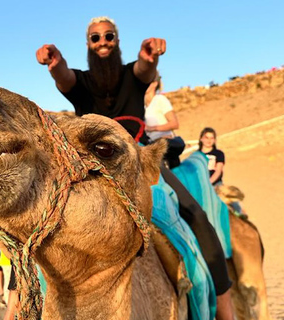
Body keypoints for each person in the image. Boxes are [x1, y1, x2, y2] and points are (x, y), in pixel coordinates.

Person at [36, 16, 234, 320]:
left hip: (139, 160)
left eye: (109, 36)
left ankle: (225, 309)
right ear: (88, 45)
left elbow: (145, 69)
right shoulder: (82, 83)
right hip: (89, 170)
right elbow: (64, 78)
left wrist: (149, 57)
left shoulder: (133, 74)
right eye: (96, 38)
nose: (102, 42)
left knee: (195, 214)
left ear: (117, 41)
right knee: (41, 229)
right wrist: (55, 62)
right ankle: (20, 304)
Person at [143, 75, 185, 168]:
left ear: (154, 84)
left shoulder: (160, 100)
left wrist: (151, 128)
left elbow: (174, 124)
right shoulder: (142, 107)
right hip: (151, 148)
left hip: (166, 149)